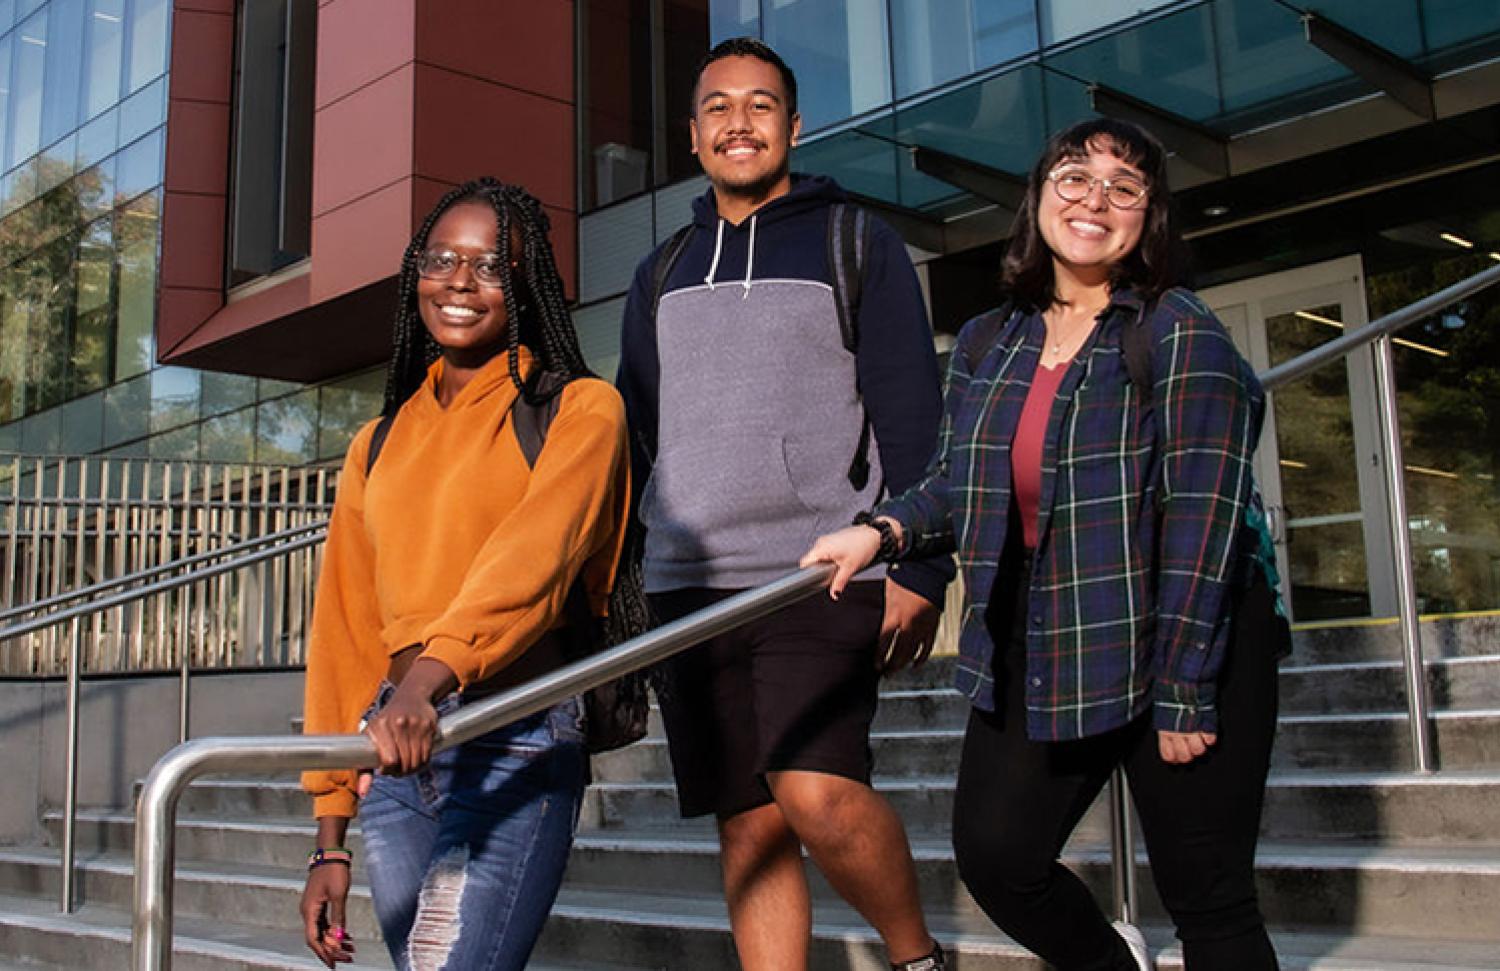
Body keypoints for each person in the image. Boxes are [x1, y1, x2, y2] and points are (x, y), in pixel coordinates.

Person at [803, 117, 1285, 971]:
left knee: (1208, 897)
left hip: (1189, 631)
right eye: (1073, 176)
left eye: (1123, 186)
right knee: (998, 855)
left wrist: (1183, 691)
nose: (1094, 199)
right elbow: (958, 479)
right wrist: (879, 530)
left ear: (1149, 216)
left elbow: (1207, 522)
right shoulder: (994, 338)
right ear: (1039, 197)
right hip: (1053, 629)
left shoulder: (1178, 331)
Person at [615, 36, 952, 971]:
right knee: (750, 827)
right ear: (693, 135)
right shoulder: (664, 270)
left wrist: (920, 565)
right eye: (719, 106)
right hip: (690, 586)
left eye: (761, 105)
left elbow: (913, 415)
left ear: (794, 127)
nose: (739, 122)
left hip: (820, 573)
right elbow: (637, 435)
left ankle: (916, 957)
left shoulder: (856, 242)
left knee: (816, 792)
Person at [297, 179, 630, 970]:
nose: (459, 280)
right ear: (416, 270)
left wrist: (427, 684)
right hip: (397, 748)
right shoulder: (375, 443)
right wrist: (328, 836)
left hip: (515, 726)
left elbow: (534, 562)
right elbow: (344, 631)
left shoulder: (581, 409)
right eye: (442, 258)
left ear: (523, 288)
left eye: (489, 266)